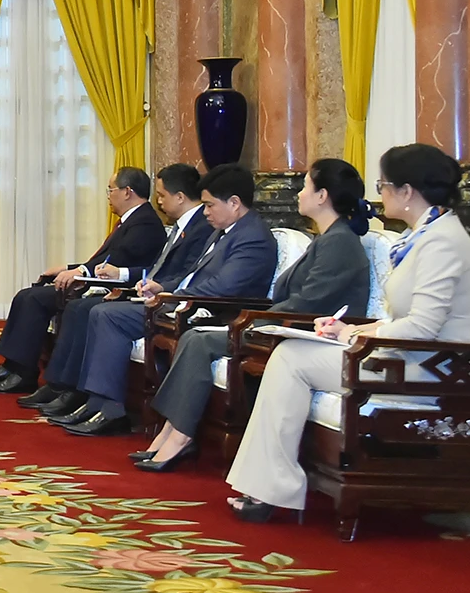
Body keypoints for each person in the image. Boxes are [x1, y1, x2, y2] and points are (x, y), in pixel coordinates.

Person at [225, 144, 470, 521]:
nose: (380, 194)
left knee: (292, 359)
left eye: (385, 185)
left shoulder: (441, 241)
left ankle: (270, 488)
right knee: (291, 354)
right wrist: (350, 327)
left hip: (433, 368)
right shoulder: (427, 234)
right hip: (408, 355)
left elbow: (423, 327)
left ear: (407, 192)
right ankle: (267, 485)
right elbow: (404, 319)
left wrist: (354, 338)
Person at [135, 158, 374, 473]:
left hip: (308, 333)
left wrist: (254, 320)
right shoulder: (328, 238)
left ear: (322, 196)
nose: (299, 193)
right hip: (289, 325)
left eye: (305, 187)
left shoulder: (340, 242)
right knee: (196, 337)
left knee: (200, 340)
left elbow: (310, 303)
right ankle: (172, 431)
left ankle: (179, 435)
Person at [51, 162, 279, 437]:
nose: (204, 212)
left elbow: (224, 286)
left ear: (233, 203)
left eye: (209, 205)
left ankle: (111, 409)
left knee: (106, 314)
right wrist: (160, 286)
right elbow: (192, 275)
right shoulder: (225, 231)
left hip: (210, 312)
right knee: (102, 311)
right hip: (182, 302)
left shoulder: (252, 237)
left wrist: (169, 295)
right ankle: (97, 402)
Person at [20, 163, 213, 415]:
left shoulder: (199, 228)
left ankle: (87, 397)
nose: (158, 201)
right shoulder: (180, 225)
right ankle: (62, 386)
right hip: (148, 293)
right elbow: (154, 268)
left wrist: (144, 286)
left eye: (162, 196)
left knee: (91, 309)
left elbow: (186, 275)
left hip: (168, 302)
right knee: (80, 306)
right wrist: (125, 279)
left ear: (179, 197)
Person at [0, 166, 167, 395]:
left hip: (109, 288)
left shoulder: (144, 223)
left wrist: (79, 273)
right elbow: (102, 260)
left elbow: (117, 261)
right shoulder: (130, 220)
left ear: (127, 191)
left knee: (35, 299)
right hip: (95, 281)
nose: (108, 196)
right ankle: (13, 365)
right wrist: (68, 268)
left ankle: (24, 373)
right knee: (27, 295)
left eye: (110, 190)